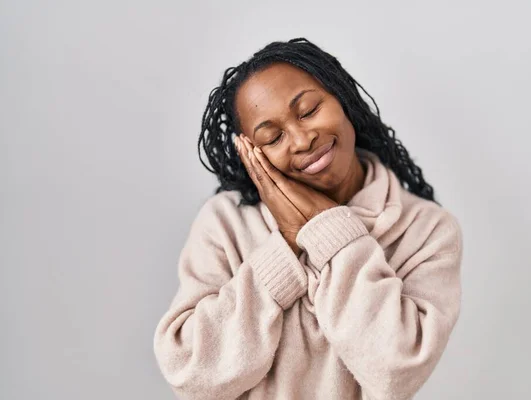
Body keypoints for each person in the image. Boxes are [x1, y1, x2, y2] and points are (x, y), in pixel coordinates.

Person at [153, 37, 463, 400]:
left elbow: (395, 371)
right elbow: (190, 373)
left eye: (309, 110)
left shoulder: (427, 230)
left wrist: (326, 228)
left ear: (343, 99)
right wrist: (286, 240)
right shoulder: (225, 223)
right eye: (273, 137)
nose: (301, 140)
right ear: (251, 152)